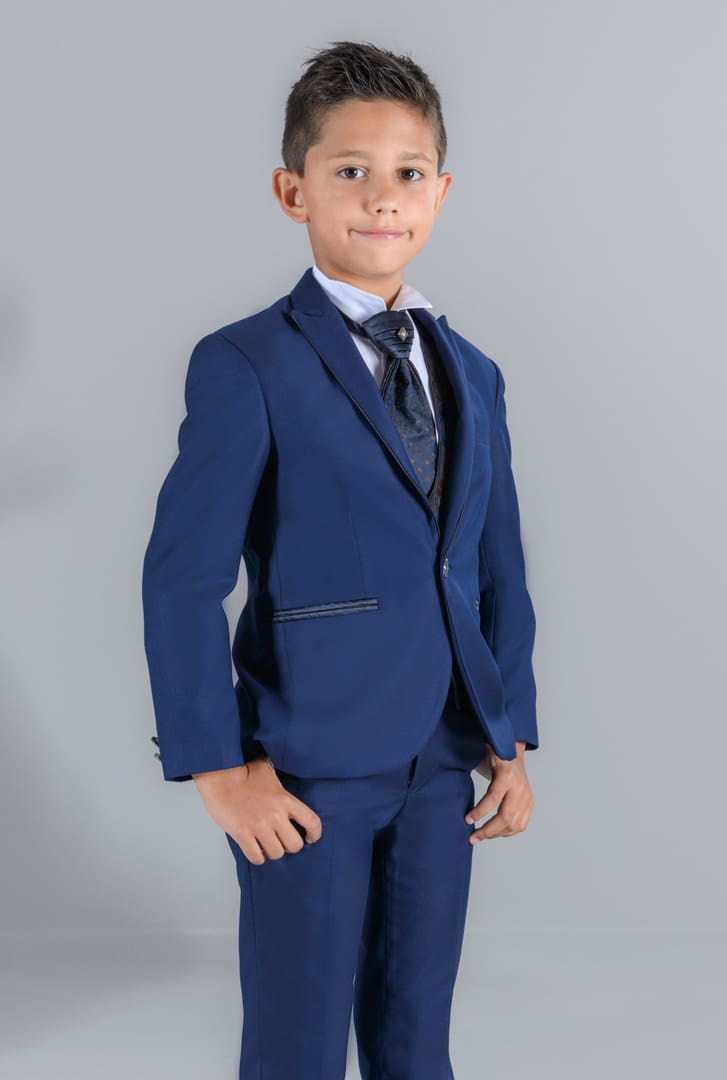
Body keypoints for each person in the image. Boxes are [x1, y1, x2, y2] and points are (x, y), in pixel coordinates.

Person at [141, 39, 539, 1080]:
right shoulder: (247, 362)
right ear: (294, 191)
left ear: (440, 192)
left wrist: (508, 737)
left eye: (408, 172)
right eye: (349, 170)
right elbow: (182, 579)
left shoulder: (474, 372)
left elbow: (492, 567)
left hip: (442, 758)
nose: (381, 196)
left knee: (417, 1036)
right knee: (300, 1040)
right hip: (307, 765)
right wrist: (219, 770)